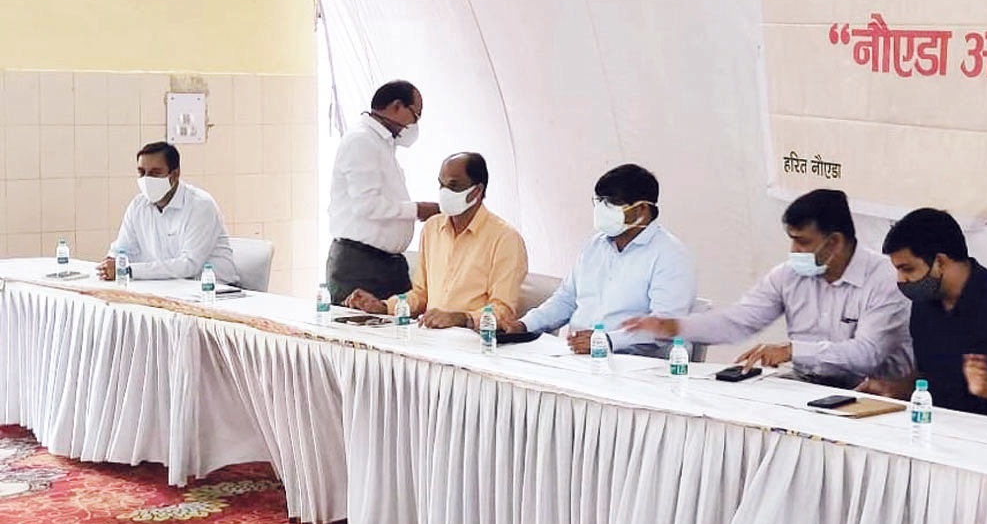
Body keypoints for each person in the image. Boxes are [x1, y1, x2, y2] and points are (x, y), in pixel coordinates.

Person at [623, 189, 913, 387]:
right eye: (792, 239)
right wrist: (673, 326)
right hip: (805, 385)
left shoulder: (885, 278)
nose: (794, 250)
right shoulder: (789, 275)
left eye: (803, 242)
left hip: (874, 393)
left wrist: (793, 351)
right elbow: (738, 322)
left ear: (835, 242)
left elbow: (867, 354)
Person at [859, 208, 987, 426]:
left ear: (940, 262)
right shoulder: (925, 305)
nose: (901, 280)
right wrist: (894, 390)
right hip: (941, 430)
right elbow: (931, 377)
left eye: (908, 269)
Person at [501, 164, 695, 357]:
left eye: (612, 202)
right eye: (599, 200)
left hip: (634, 362)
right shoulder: (595, 246)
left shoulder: (670, 254)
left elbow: (665, 323)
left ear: (642, 209)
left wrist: (607, 340)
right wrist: (523, 325)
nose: (602, 209)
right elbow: (566, 300)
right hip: (578, 355)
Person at [344, 152, 528, 329]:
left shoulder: (505, 239)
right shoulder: (432, 228)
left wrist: (461, 318)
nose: (444, 192)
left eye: (454, 186)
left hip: (474, 339)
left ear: (477, 191)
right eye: (441, 185)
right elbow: (420, 295)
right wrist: (384, 307)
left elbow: (503, 310)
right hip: (431, 335)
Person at [325, 80, 440, 304]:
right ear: (396, 106)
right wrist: (418, 210)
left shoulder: (381, 143)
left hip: (386, 264)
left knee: (401, 319)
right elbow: (367, 205)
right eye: (415, 115)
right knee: (359, 326)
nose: (414, 125)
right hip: (360, 265)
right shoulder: (361, 141)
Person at [97, 142, 239, 284]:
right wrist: (110, 263)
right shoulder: (138, 205)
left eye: (155, 173)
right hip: (166, 286)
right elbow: (122, 250)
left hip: (214, 290)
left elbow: (189, 265)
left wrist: (128, 270)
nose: (146, 179)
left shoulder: (200, 205)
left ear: (175, 175)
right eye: (142, 172)